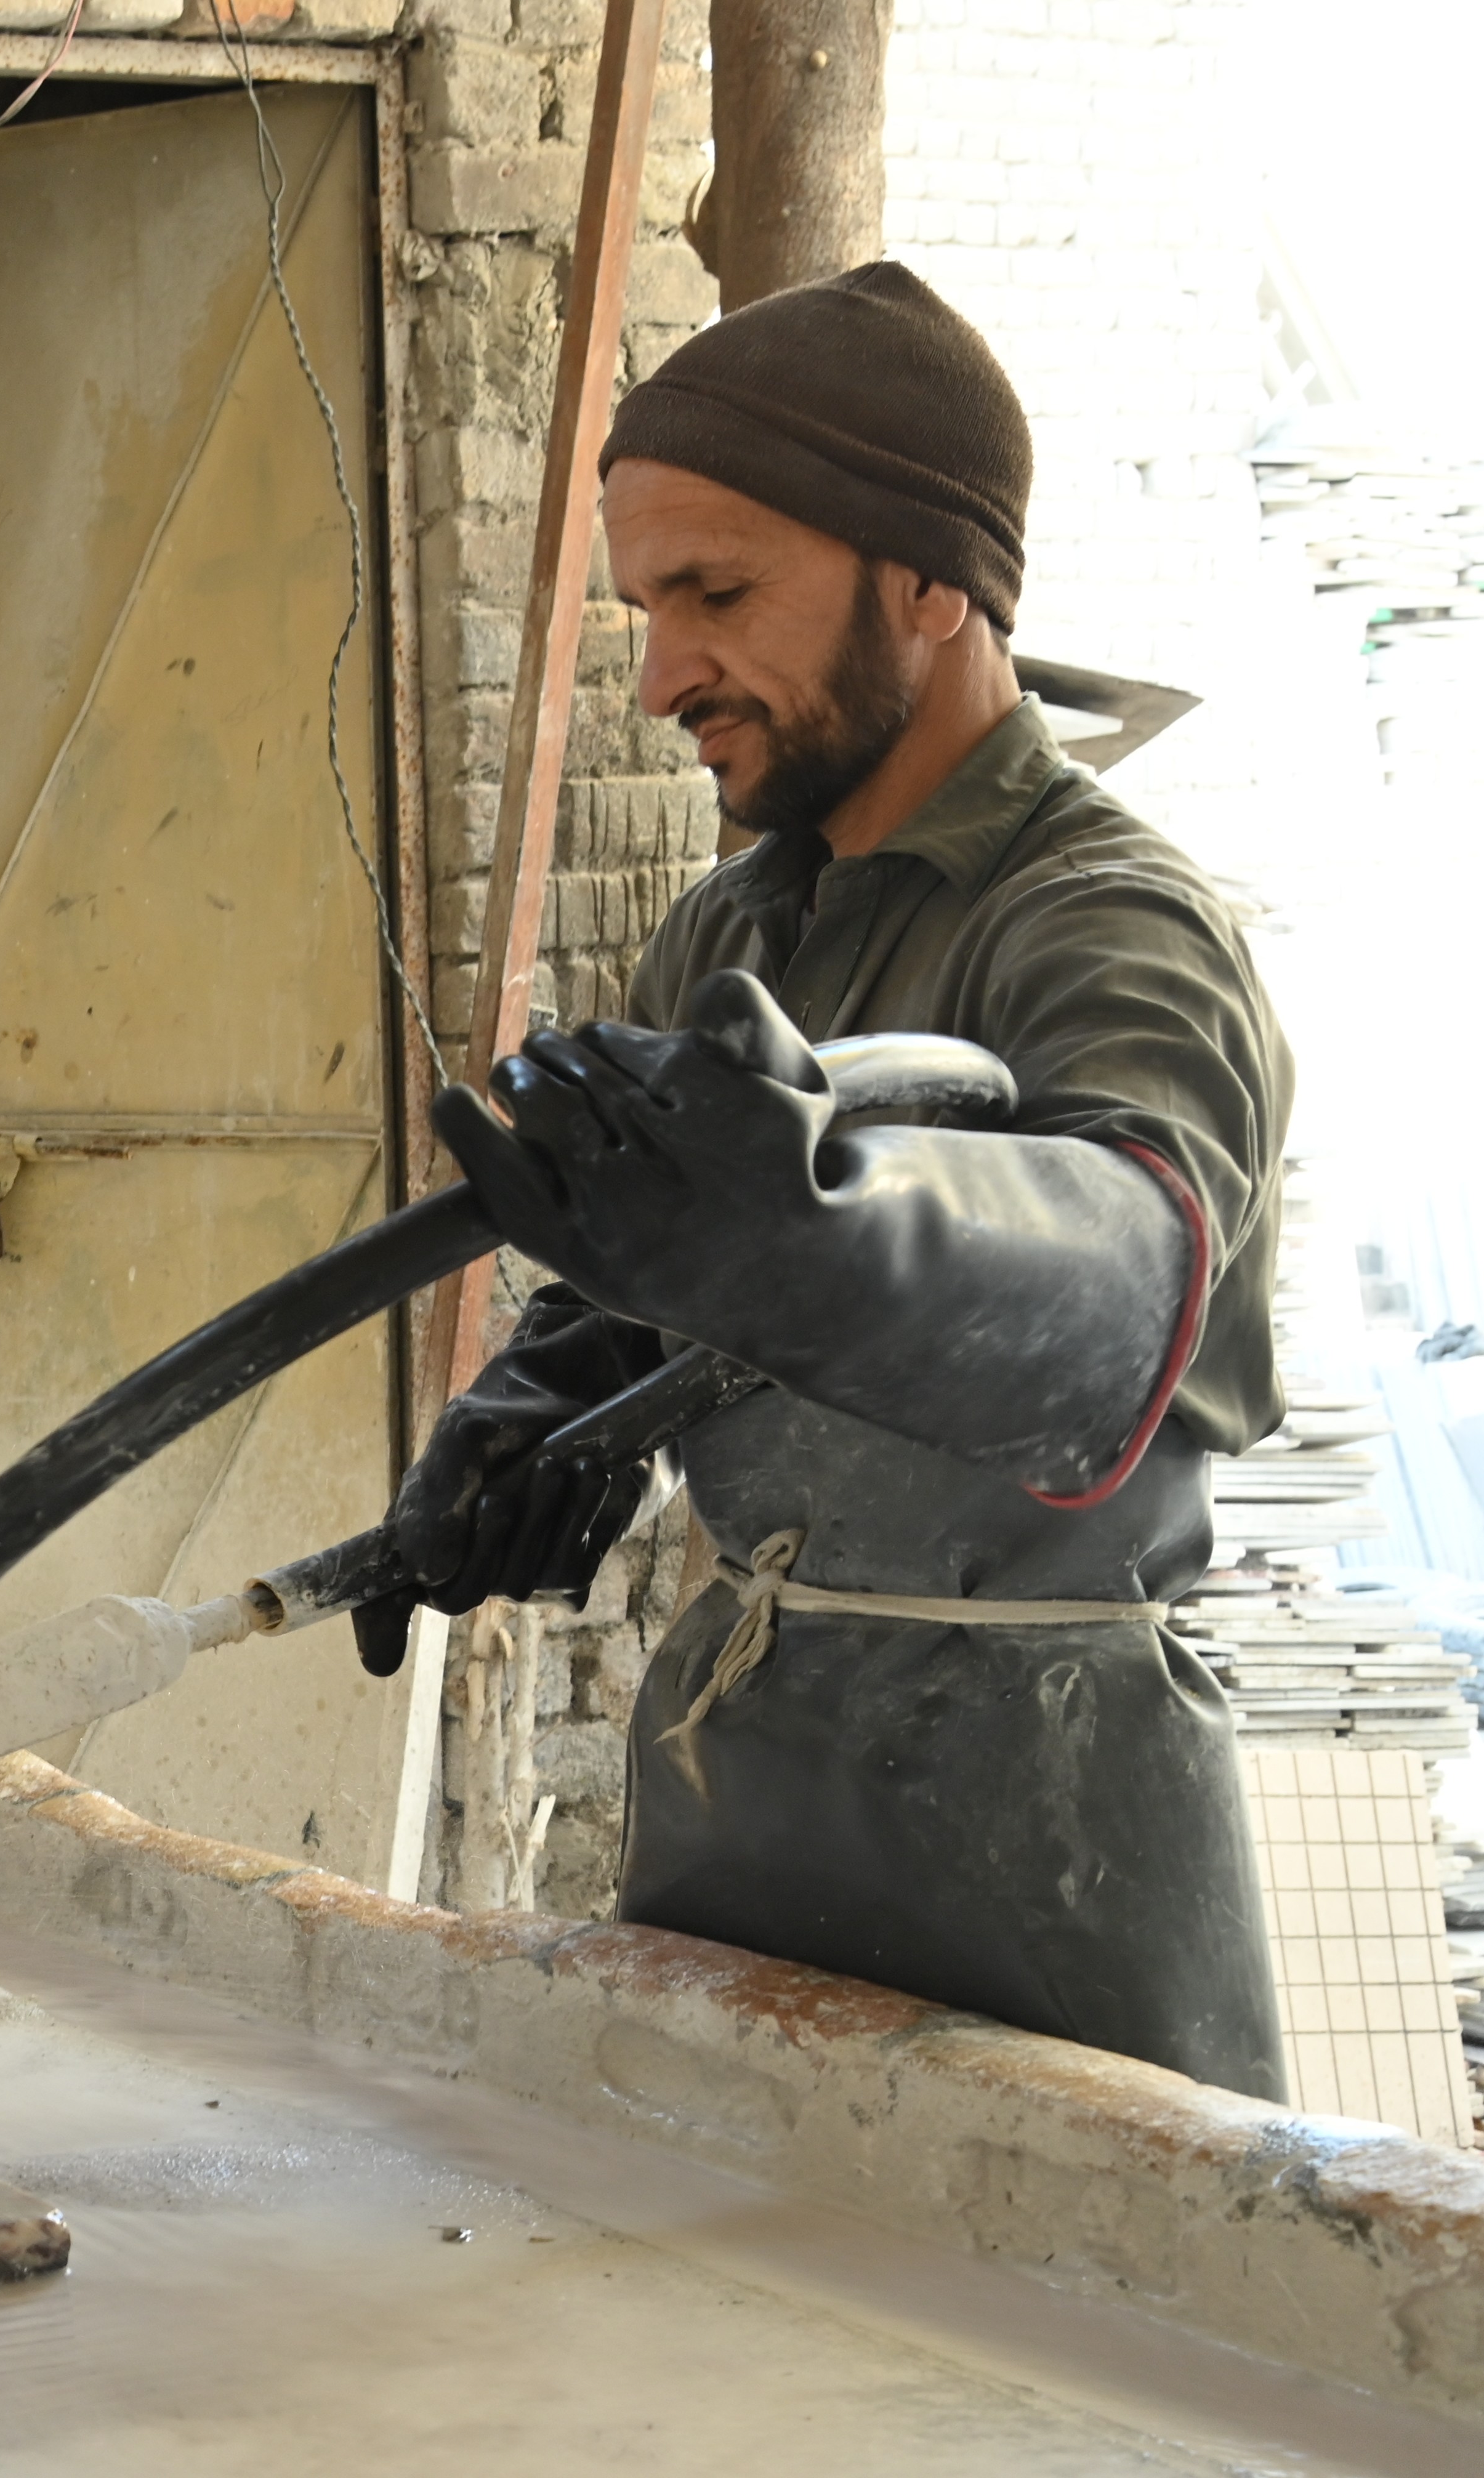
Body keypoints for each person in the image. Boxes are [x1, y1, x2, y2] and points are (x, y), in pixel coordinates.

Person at [390, 262, 1292, 2099]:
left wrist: (829, 1240)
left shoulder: (1108, 926)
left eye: (716, 595)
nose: (660, 679)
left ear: (933, 579)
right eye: (646, 609)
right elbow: (659, 1279)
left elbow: (1122, 1271)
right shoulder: (745, 925)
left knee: (1066, 2349)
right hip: (758, 1757)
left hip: (1047, 1811)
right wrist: (542, 1403)